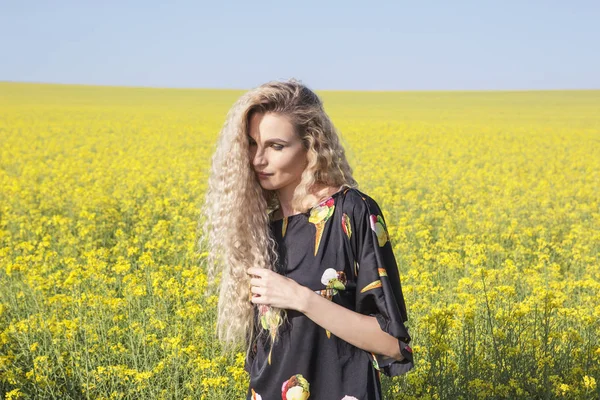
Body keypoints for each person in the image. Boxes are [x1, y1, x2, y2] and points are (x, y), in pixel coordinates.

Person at [200, 78, 413, 400]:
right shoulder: (260, 228)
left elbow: (393, 345)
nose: (258, 159)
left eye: (276, 146)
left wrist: (302, 298)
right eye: (252, 144)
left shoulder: (351, 213)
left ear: (311, 144)